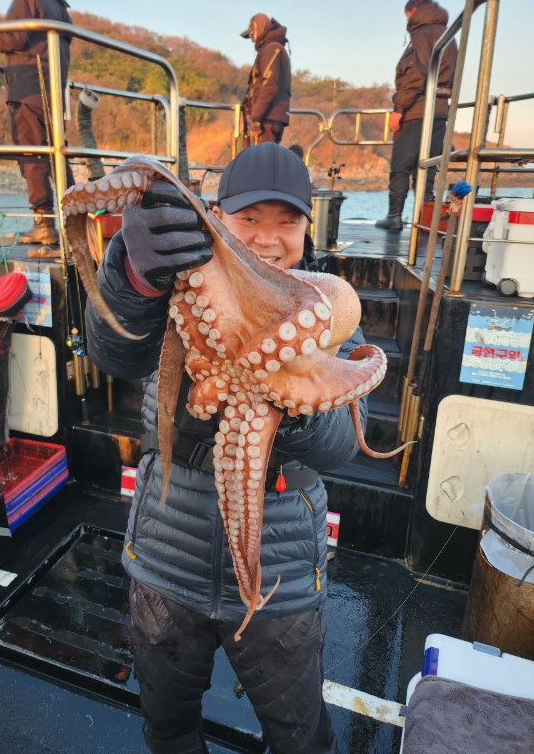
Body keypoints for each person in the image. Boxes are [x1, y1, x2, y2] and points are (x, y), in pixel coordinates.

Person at [85, 143, 368, 754]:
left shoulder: (328, 310)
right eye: (249, 219)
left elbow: (343, 442)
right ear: (215, 214)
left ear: (306, 228)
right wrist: (131, 275)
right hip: (166, 558)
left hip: (283, 576)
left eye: (286, 221)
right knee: (168, 726)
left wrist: (287, 398)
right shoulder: (177, 282)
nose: (267, 240)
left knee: (299, 737)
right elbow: (115, 351)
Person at [0, 0, 73, 245]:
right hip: (52, 91)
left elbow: (14, 35)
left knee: (32, 155)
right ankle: (76, 219)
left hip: (27, 87)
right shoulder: (60, 6)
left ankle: (43, 223)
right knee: (58, 155)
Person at [377, 0, 457, 231]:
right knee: (428, 166)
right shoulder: (448, 35)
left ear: (413, 11)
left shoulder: (422, 34)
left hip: (417, 110)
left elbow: (415, 73)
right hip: (439, 111)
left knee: (402, 164)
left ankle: (394, 216)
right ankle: (424, 217)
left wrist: (399, 109)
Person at [240, 14, 291, 145]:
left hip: (266, 120)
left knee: (261, 162)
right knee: (261, 161)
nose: (252, 39)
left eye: (252, 33)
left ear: (259, 29)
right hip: (267, 117)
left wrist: (256, 119)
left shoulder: (271, 49)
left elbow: (270, 86)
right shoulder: (272, 48)